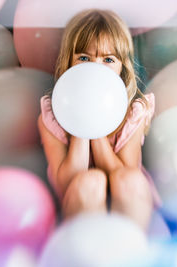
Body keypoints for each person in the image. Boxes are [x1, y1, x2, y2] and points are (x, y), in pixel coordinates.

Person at [38, 9, 160, 230]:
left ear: (122, 68)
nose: (95, 68)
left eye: (108, 59)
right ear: (69, 63)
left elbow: (123, 176)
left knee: (129, 180)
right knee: (89, 182)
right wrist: (79, 120)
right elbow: (66, 184)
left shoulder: (135, 110)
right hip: (79, 206)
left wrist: (98, 123)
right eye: (84, 58)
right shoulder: (52, 114)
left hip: (129, 203)